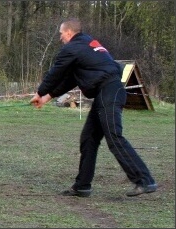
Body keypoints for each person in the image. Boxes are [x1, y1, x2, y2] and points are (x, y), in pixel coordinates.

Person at [29, 18, 157, 197]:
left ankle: (144, 180)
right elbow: (71, 79)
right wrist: (48, 96)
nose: (60, 38)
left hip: (109, 91)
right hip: (107, 93)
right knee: (88, 138)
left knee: (114, 137)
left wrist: (40, 92)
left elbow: (56, 72)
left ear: (68, 33)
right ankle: (82, 186)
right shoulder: (87, 45)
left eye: (61, 34)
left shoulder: (72, 48)